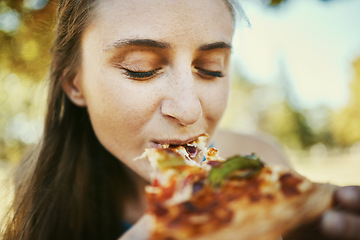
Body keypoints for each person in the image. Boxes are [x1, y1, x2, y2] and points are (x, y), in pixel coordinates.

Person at [2, 0, 360, 239]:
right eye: (140, 69)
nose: (189, 110)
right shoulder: (36, 185)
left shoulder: (264, 165)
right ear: (74, 84)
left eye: (210, 69)